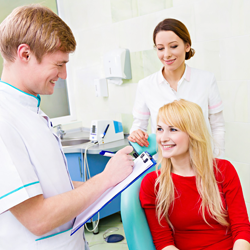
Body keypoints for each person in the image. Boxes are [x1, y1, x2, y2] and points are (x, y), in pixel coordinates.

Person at [0, 5, 134, 250]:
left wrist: (119, 181)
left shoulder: (30, 111)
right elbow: (37, 218)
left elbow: (54, 188)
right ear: (25, 54)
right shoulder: (3, 119)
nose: (63, 75)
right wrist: (105, 178)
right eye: (59, 64)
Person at [139, 99, 250, 250]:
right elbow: (164, 242)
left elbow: (241, 228)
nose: (163, 138)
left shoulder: (223, 170)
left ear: (193, 134)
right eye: (159, 129)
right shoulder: (153, 183)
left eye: (173, 129)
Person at [128, 18, 225, 158]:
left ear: (187, 46)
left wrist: (218, 162)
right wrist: (136, 134)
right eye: (160, 48)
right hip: (165, 166)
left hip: (201, 163)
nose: (166, 54)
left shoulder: (206, 80)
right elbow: (138, 127)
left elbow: (218, 127)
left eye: (173, 46)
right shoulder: (146, 85)